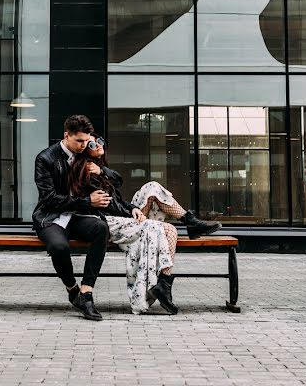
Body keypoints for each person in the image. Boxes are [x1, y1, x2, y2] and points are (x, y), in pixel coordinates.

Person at [70, 133, 221, 315]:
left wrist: (132, 206)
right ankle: (165, 283)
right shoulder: (85, 168)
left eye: (100, 141)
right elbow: (108, 204)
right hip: (109, 221)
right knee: (170, 230)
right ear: (84, 149)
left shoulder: (99, 168)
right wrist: (130, 210)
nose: (99, 145)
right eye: (92, 144)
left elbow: (118, 182)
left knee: (153, 187)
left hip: (123, 214)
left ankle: (189, 222)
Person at [32, 115, 111, 321]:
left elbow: (112, 181)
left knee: (101, 228)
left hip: (76, 216)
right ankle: (72, 290)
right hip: (51, 217)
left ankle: (86, 293)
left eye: (86, 140)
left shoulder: (87, 154)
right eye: (79, 141)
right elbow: (49, 199)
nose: (83, 145)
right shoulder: (45, 158)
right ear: (66, 135)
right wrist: (87, 202)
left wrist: (100, 165)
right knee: (59, 247)